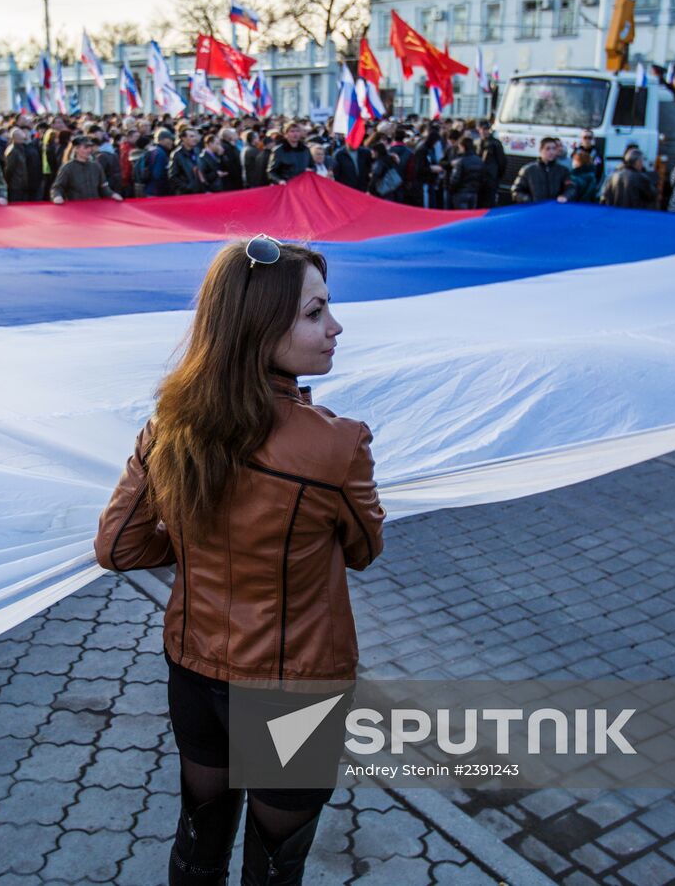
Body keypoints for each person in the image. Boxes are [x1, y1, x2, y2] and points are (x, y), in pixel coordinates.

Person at [94, 235, 384, 886]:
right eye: (315, 313)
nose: (335, 327)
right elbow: (364, 550)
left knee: (199, 845)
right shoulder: (337, 446)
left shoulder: (169, 425)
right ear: (260, 326)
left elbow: (118, 547)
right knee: (275, 869)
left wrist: (198, 539)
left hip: (195, 672)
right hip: (295, 688)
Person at [50, 135, 124, 203]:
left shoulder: (96, 166)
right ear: (76, 149)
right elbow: (57, 187)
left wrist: (113, 194)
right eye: (86, 148)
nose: (89, 150)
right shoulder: (68, 168)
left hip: (94, 206)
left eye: (90, 147)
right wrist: (57, 196)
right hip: (76, 208)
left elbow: (104, 187)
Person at [511, 137, 572, 203]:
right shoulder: (528, 170)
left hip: (555, 208)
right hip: (534, 209)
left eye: (554, 148)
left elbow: (571, 188)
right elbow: (516, 191)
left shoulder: (563, 170)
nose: (551, 152)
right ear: (540, 150)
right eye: (547, 149)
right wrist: (529, 199)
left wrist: (565, 196)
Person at [447, 136, 487, 209]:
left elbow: (455, 180)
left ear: (463, 147)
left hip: (461, 193)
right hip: (473, 193)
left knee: (460, 217)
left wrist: (451, 190)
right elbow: (483, 178)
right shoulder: (479, 161)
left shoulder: (461, 162)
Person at [475, 119, 506, 207]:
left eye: (487, 129)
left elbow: (502, 162)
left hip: (491, 179)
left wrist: (496, 176)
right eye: (483, 129)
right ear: (479, 129)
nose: (485, 132)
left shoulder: (496, 143)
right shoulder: (476, 143)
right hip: (478, 179)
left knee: (489, 203)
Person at [168, 128, 205, 196]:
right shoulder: (177, 154)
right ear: (183, 138)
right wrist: (188, 187)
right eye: (191, 136)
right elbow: (173, 176)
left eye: (194, 136)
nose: (194, 139)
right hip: (186, 194)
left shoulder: (197, 150)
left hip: (200, 192)